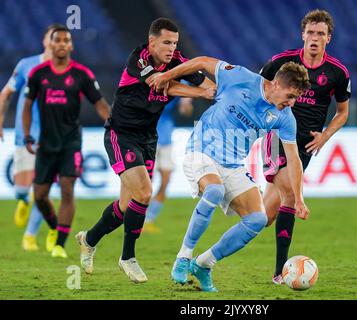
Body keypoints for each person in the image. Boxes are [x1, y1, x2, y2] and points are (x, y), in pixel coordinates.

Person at [149, 57, 311, 292]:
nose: (292, 103)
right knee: (214, 190)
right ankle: (183, 257)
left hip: (232, 164)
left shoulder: (285, 118)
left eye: (296, 98)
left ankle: (203, 264)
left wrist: (299, 198)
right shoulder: (241, 77)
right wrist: (166, 75)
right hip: (201, 151)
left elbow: (293, 158)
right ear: (276, 84)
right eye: (290, 96)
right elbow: (203, 62)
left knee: (258, 219)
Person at [75, 18, 215, 283]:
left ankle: (89, 239)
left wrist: (215, 89)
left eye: (174, 43)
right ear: (152, 42)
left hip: (148, 139)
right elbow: (162, 84)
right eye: (166, 42)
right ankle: (127, 258)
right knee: (144, 192)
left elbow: (205, 83)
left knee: (128, 205)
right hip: (121, 134)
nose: (171, 48)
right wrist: (198, 93)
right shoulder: (138, 59)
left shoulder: (177, 62)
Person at [260, 9, 351, 284]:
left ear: (328, 38)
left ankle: (230, 210)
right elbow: (260, 90)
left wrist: (324, 136)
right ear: (302, 35)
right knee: (290, 196)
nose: (314, 38)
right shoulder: (281, 62)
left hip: (306, 147)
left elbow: (343, 112)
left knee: (264, 216)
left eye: (320, 34)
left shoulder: (337, 72)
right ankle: (280, 273)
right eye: (310, 32)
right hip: (278, 138)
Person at [22, 26, 111, 259]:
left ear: (71, 45)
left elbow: (99, 103)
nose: (61, 44)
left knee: (67, 189)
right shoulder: (38, 73)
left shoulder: (81, 74)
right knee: (40, 195)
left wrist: (115, 125)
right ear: (50, 44)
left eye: (66, 40)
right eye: (57, 40)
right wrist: (27, 135)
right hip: (46, 143)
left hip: (71, 141)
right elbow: (27, 105)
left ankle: (60, 244)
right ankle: (53, 226)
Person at [0, 23, 64, 251]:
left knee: (43, 189)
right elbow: (5, 93)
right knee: (21, 188)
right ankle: (22, 200)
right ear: (45, 41)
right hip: (24, 136)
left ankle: (30, 235)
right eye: (53, 38)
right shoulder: (26, 65)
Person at [143, 95, 194, 233]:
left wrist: (186, 104)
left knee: (166, 181)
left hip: (166, 141)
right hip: (147, 139)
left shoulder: (181, 82)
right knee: (147, 183)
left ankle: (149, 219)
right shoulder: (151, 78)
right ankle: (134, 217)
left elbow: (186, 112)